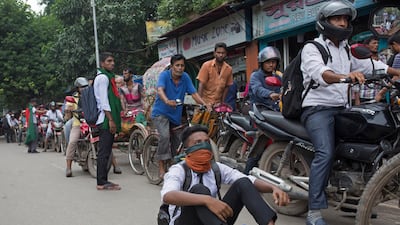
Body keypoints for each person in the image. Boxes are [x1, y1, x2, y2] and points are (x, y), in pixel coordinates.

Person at [300, 1, 400, 225]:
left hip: (341, 109)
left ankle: (352, 198)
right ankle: (314, 211)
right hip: (317, 109)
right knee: (325, 152)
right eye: (338, 19)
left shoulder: (345, 48)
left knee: (361, 146)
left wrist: (395, 72)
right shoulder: (312, 48)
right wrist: (344, 76)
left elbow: (371, 66)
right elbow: (321, 73)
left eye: (345, 19)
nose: (343, 23)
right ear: (325, 22)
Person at [161, 125, 290, 225]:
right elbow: (168, 196)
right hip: (186, 221)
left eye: (207, 141)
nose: (204, 145)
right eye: (198, 142)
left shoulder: (216, 168)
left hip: (214, 221)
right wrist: (208, 200)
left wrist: (273, 188)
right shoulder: (178, 170)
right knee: (199, 190)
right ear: (186, 150)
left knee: (243, 183)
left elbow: (247, 180)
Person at [151, 54, 209, 179]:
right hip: (161, 112)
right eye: (177, 65)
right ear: (172, 66)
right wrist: (167, 101)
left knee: (180, 141)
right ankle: (161, 167)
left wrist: (205, 104)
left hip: (175, 114)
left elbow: (194, 93)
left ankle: (175, 167)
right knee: (165, 137)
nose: (180, 68)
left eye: (182, 65)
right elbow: (160, 90)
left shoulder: (186, 77)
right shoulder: (165, 76)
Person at [244, 46, 282, 175]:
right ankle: (246, 175)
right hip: (259, 115)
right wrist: (270, 94)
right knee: (259, 146)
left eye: (274, 62)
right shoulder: (256, 76)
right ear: (262, 63)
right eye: (269, 62)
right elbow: (257, 89)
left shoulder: (278, 77)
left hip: (275, 115)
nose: (272, 65)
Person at [93, 52, 122, 190]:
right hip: (105, 119)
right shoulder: (103, 78)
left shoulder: (107, 77)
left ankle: (103, 180)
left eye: (113, 61)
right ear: (102, 63)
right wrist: (111, 120)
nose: (112, 63)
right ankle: (101, 182)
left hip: (105, 118)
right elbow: (104, 101)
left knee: (106, 150)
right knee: (104, 152)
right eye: (109, 61)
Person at [65, 77, 88, 177]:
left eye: (86, 87)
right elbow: (68, 114)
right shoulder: (74, 98)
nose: (84, 89)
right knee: (73, 141)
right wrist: (68, 110)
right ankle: (68, 167)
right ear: (77, 88)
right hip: (78, 123)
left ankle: (114, 164)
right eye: (82, 87)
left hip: (91, 123)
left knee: (104, 139)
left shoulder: (91, 96)